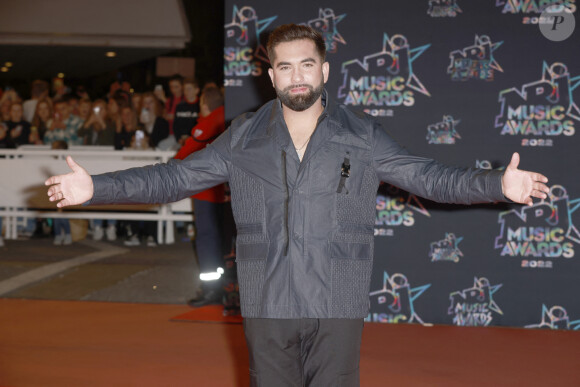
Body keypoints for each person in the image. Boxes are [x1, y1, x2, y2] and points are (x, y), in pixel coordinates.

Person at [46, 24, 550, 387]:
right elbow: (177, 176)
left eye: (306, 64)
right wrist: (98, 189)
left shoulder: (361, 134)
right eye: (284, 67)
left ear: (324, 69)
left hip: (337, 297)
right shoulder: (243, 136)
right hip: (269, 300)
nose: (297, 76)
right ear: (272, 76)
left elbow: (428, 177)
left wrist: (496, 186)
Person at [174, 86, 227, 307]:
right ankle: (228, 286)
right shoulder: (232, 119)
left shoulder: (207, 124)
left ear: (205, 104)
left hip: (207, 193)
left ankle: (211, 290)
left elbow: (184, 156)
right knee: (225, 242)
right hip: (228, 192)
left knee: (207, 241)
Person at [172, 78, 200, 145]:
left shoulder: (201, 106)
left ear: (196, 90)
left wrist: (191, 139)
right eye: (184, 89)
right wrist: (179, 138)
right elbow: (175, 125)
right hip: (181, 140)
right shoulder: (179, 106)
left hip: (196, 140)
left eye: (189, 89)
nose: (186, 92)